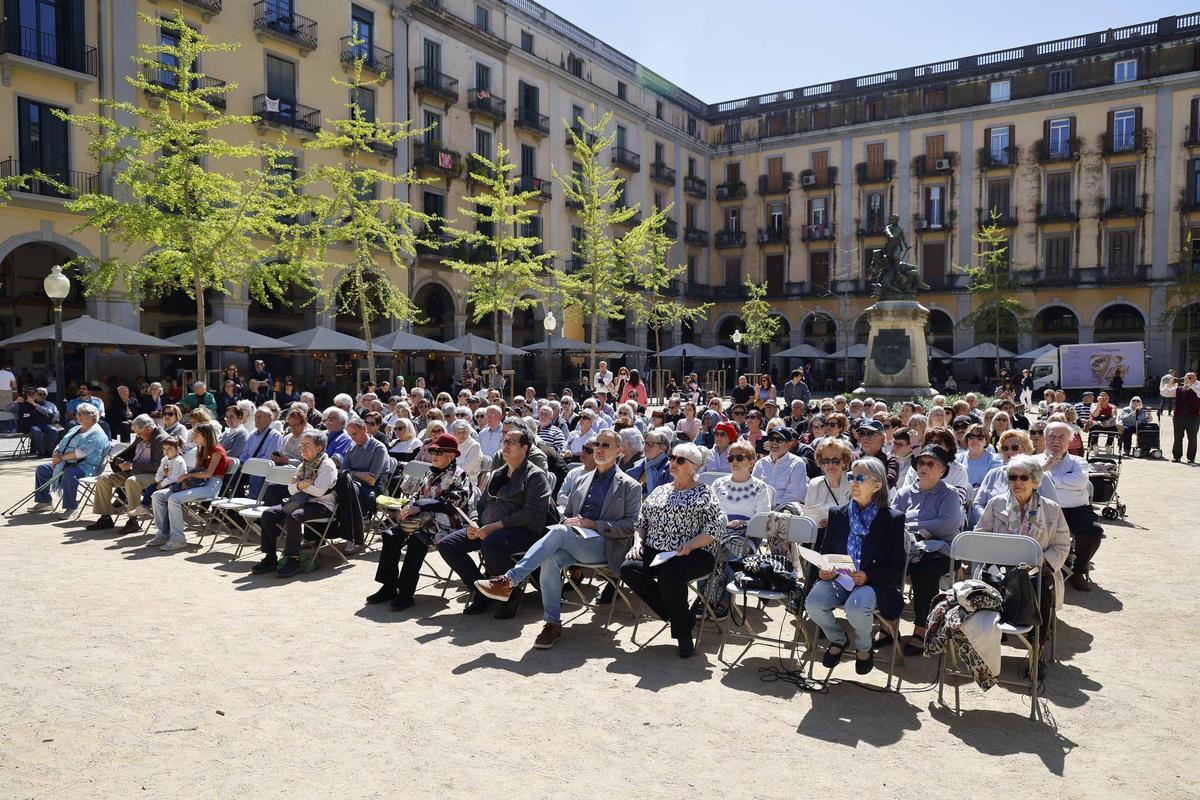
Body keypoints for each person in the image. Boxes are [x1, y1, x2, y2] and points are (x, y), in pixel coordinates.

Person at [474, 428, 642, 648]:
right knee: (551, 559)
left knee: (559, 534)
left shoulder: (630, 485)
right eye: (596, 445)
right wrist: (568, 523)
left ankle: (510, 580)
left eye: (605, 445)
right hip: (575, 539)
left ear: (619, 451)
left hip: (607, 545)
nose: (598, 450)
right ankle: (552, 623)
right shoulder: (582, 480)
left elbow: (631, 525)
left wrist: (594, 525)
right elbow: (568, 515)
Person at [621, 442, 727, 658]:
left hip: (694, 553)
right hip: (656, 550)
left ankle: (683, 636)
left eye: (680, 460)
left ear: (694, 467)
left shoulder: (703, 492)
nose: (673, 463)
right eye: (672, 458)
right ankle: (682, 619)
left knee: (670, 576)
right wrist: (638, 543)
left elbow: (717, 526)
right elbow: (641, 521)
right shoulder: (660, 491)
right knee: (629, 568)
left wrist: (690, 545)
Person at [806, 457, 906, 675]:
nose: (853, 482)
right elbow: (827, 550)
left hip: (873, 583)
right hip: (839, 579)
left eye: (860, 478)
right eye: (851, 477)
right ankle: (838, 639)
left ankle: (864, 647)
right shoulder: (838, 514)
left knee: (856, 607)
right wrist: (826, 569)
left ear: (877, 485)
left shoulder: (892, 519)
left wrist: (868, 576)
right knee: (813, 603)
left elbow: (897, 564)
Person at [438, 429, 553, 617]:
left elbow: (531, 513)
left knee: (491, 544)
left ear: (525, 448)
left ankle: (511, 590)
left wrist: (495, 526)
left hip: (524, 532)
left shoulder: (535, 475)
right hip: (488, 530)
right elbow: (480, 504)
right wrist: (474, 522)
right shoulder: (499, 473)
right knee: (447, 545)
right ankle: (482, 591)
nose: (505, 445)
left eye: (512, 442)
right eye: (504, 441)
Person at [368, 434, 478, 611]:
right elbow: (417, 495)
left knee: (416, 541)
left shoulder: (460, 475)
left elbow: (453, 504)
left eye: (439, 451)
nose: (433, 454)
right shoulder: (429, 472)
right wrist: (409, 506)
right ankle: (389, 586)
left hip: (445, 525)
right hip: (421, 521)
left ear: (452, 455)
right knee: (389, 536)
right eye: (432, 450)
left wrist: (421, 506)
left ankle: (405, 593)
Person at [976, 454, 1072, 649]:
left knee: (1041, 590)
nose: (1017, 482)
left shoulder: (1052, 509)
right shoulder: (996, 504)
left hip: (1037, 569)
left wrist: (1041, 561)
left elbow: (1062, 545)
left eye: (1023, 477)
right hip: (999, 567)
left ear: (1035, 482)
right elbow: (980, 536)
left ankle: (1037, 650)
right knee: (985, 587)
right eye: (1013, 477)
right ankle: (989, 646)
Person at [892, 444, 963, 656]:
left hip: (943, 552)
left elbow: (948, 524)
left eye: (930, 463)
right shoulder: (904, 493)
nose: (923, 466)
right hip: (907, 547)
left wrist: (913, 526)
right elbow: (894, 521)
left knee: (925, 571)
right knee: (886, 566)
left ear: (942, 470)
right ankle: (888, 625)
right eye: (920, 462)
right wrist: (920, 529)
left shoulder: (949, 494)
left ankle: (923, 629)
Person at [251, 430, 338, 577]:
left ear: (319, 448)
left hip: (322, 505)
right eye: (301, 444)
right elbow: (291, 490)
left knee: (294, 517)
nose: (302, 448)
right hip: (301, 501)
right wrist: (303, 483)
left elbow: (319, 492)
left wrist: (299, 485)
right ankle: (270, 557)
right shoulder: (304, 464)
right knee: (269, 514)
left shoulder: (327, 465)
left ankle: (293, 559)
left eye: (307, 444)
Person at [1040, 421, 1103, 591]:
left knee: (1094, 530)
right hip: (1042, 510)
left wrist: (1051, 479)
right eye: (1052, 436)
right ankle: (1041, 568)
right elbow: (1031, 481)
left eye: (1062, 437)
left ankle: (1078, 570)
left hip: (1076, 510)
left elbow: (1080, 481)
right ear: (1045, 439)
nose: (1056, 441)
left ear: (1069, 440)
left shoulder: (1078, 462)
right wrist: (1046, 468)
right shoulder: (1034, 460)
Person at [149, 422, 230, 551]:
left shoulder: (217, 450)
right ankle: (163, 534)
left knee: (174, 499)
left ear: (205, 436)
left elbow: (208, 474)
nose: (193, 437)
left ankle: (178, 539)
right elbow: (197, 471)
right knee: (157, 495)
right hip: (198, 482)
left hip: (211, 486)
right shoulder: (201, 449)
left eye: (196, 435)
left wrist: (186, 477)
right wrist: (186, 480)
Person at [85, 414, 168, 534]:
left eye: (139, 434)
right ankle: (105, 518)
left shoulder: (162, 439)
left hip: (155, 476)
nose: (137, 436)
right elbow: (130, 452)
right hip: (136, 472)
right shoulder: (143, 435)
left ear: (148, 429)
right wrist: (117, 459)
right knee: (103, 479)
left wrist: (132, 466)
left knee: (132, 481)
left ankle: (133, 521)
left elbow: (158, 465)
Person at [28, 403, 110, 520]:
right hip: (66, 462)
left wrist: (60, 458)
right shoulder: (75, 428)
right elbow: (61, 444)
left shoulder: (97, 433)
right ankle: (44, 502)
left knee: (69, 473)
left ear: (93, 417)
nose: (79, 416)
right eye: (78, 414)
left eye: (83, 414)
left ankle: (71, 508)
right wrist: (55, 454)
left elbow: (81, 453)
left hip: (87, 466)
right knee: (42, 469)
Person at [969, 430, 1057, 527]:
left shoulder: (1042, 476)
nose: (1009, 452)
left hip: (1031, 532)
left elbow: (1052, 508)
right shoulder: (993, 474)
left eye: (1015, 448)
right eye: (1005, 448)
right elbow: (978, 504)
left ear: (1026, 449)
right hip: (994, 531)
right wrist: (991, 521)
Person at [128, 437, 187, 523]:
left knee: (161, 493)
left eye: (169, 448)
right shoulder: (164, 459)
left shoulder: (179, 461)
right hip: (165, 482)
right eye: (164, 448)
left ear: (177, 449)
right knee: (150, 487)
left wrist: (162, 484)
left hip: (177, 484)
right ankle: (143, 507)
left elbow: (175, 477)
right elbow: (159, 471)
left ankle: (166, 518)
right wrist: (158, 480)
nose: (166, 451)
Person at [752, 427, 808, 506]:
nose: (774, 442)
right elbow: (753, 489)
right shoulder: (760, 463)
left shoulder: (797, 464)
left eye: (779, 440)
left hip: (784, 509)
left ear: (788, 445)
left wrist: (770, 506)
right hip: (759, 507)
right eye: (771, 439)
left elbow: (794, 496)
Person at [625, 427, 672, 496]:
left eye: (650, 444)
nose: (645, 447)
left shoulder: (671, 470)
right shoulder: (635, 466)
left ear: (663, 448)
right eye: (644, 443)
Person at [14, 387, 59, 457]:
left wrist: (34, 404)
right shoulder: (23, 403)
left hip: (49, 424)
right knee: (37, 431)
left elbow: (47, 412)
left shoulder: (44, 403)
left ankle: (49, 450)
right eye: (40, 394)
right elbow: (7, 408)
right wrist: (16, 401)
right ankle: (40, 452)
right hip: (31, 425)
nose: (42, 396)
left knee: (56, 430)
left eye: (44, 394)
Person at [956, 423, 1002, 490]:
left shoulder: (995, 460)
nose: (975, 440)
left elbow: (994, 485)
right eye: (971, 436)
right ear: (967, 438)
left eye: (979, 437)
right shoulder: (957, 459)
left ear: (986, 441)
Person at [1172, 372, 1199, 463]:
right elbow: (1164, 392)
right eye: (1188, 377)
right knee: (1177, 437)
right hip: (1179, 417)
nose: (1189, 378)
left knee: (1192, 438)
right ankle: (1177, 456)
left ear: (1196, 378)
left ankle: (1191, 458)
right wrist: (1169, 383)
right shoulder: (1179, 388)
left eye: (1192, 377)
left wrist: (1192, 384)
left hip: (1193, 417)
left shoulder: (1198, 386)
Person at [449, 419, 483, 484]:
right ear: (453, 433)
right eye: (458, 432)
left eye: (464, 432)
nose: (462, 435)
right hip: (449, 480)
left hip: (467, 484)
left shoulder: (475, 446)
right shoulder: (452, 443)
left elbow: (464, 469)